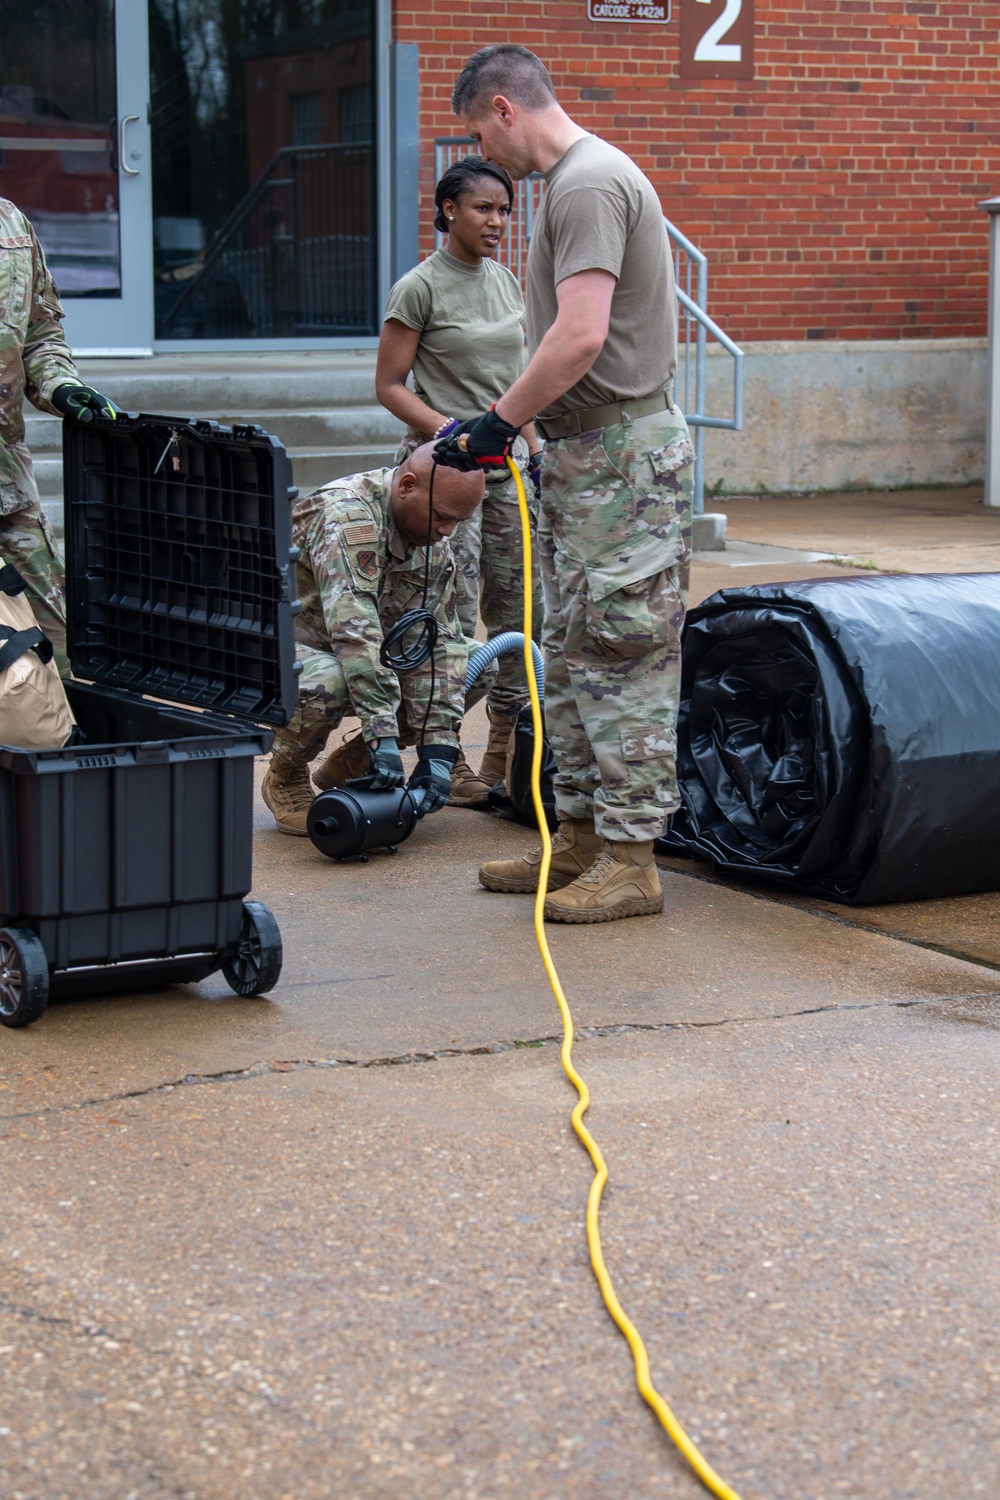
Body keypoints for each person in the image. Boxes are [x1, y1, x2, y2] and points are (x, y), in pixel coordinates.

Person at [435, 45, 695, 924]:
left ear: (504, 109)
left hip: (622, 456)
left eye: (479, 131)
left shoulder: (586, 185)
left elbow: (581, 337)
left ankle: (632, 861)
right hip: (587, 457)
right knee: (577, 653)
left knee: (624, 654)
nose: (486, 154)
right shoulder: (573, 186)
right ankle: (580, 839)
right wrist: (533, 432)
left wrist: (500, 421)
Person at [376, 156, 543, 809]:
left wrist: (533, 446)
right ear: (449, 210)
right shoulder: (418, 287)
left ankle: (504, 748)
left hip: (506, 474)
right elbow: (389, 386)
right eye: (483, 208)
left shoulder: (506, 282)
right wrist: (453, 433)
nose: (497, 221)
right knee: (447, 617)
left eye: (503, 210)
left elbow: (519, 381)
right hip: (446, 473)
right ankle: (438, 753)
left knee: (519, 611)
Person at [262, 443, 487, 836]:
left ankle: (352, 762)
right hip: (286, 642)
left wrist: (437, 750)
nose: (448, 531)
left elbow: (438, 642)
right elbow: (353, 631)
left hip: (358, 644)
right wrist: (381, 734)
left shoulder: (430, 535)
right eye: (441, 517)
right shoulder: (348, 516)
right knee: (329, 681)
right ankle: (284, 775)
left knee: (476, 663)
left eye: (458, 521)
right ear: (406, 486)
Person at [0, 197, 121, 676]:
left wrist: (60, 387)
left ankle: (67, 740)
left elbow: (39, 333)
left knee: (63, 641)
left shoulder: (10, 223)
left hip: (6, 481)